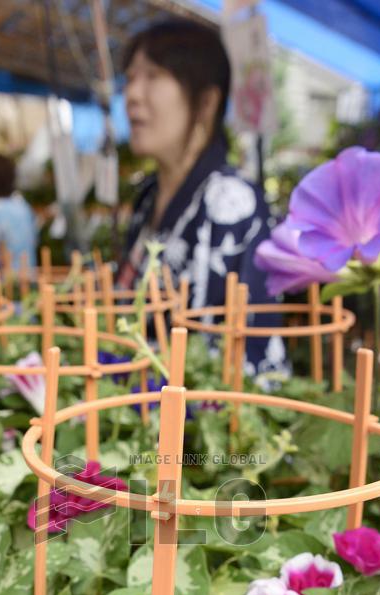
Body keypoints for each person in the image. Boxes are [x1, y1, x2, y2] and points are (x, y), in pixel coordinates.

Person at [119, 19, 285, 374]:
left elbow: (241, 354)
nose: (132, 94)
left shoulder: (230, 202)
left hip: (205, 415)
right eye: (131, 78)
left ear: (207, 101)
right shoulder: (147, 197)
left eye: (153, 76)